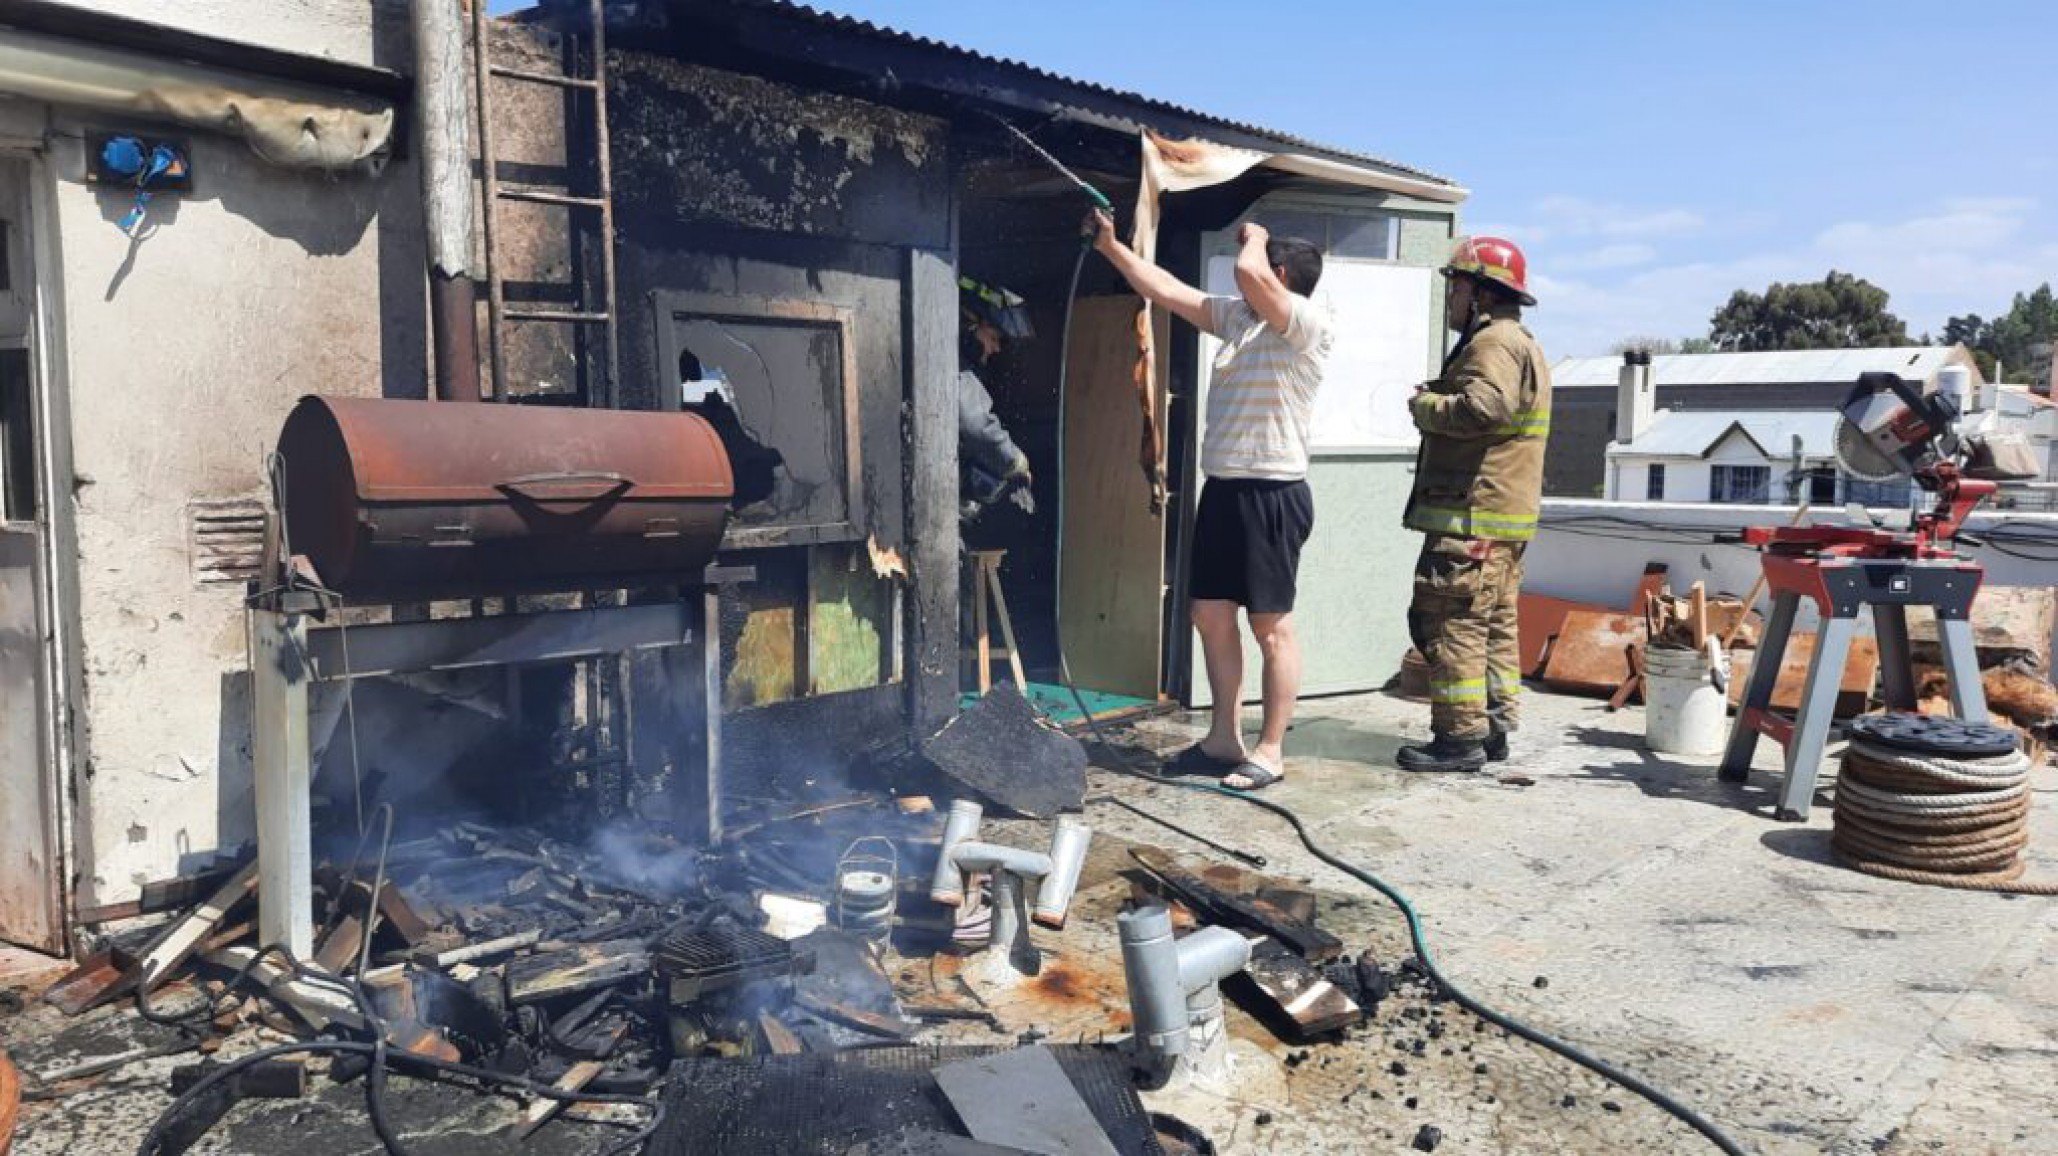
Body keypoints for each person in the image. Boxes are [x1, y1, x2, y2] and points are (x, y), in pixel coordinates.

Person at [1088, 209, 1332, 790]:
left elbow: (1250, 273)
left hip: (1273, 494)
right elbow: (1169, 291)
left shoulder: (1303, 322)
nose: (1240, 280)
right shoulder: (1240, 321)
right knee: (1209, 615)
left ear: (1278, 274)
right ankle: (1226, 738)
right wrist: (1110, 248)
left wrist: (1257, 235)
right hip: (1223, 489)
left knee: (1270, 628)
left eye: (1261, 269)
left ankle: (1270, 752)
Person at [1398, 236, 1552, 773]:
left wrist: (1427, 406)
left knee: (1451, 625)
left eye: (1456, 285)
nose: (1451, 297)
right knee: (1493, 627)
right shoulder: (1520, 342)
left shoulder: (1491, 344)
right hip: (1500, 524)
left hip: (1470, 520)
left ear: (1480, 292)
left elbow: (1482, 410)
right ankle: (1493, 728)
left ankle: (1459, 741)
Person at [957, 277, 1036, 522]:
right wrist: (1014, 460)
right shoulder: (956, 367)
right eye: (994, 337)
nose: (996, 349)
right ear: (972, 323)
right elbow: (975, 424)